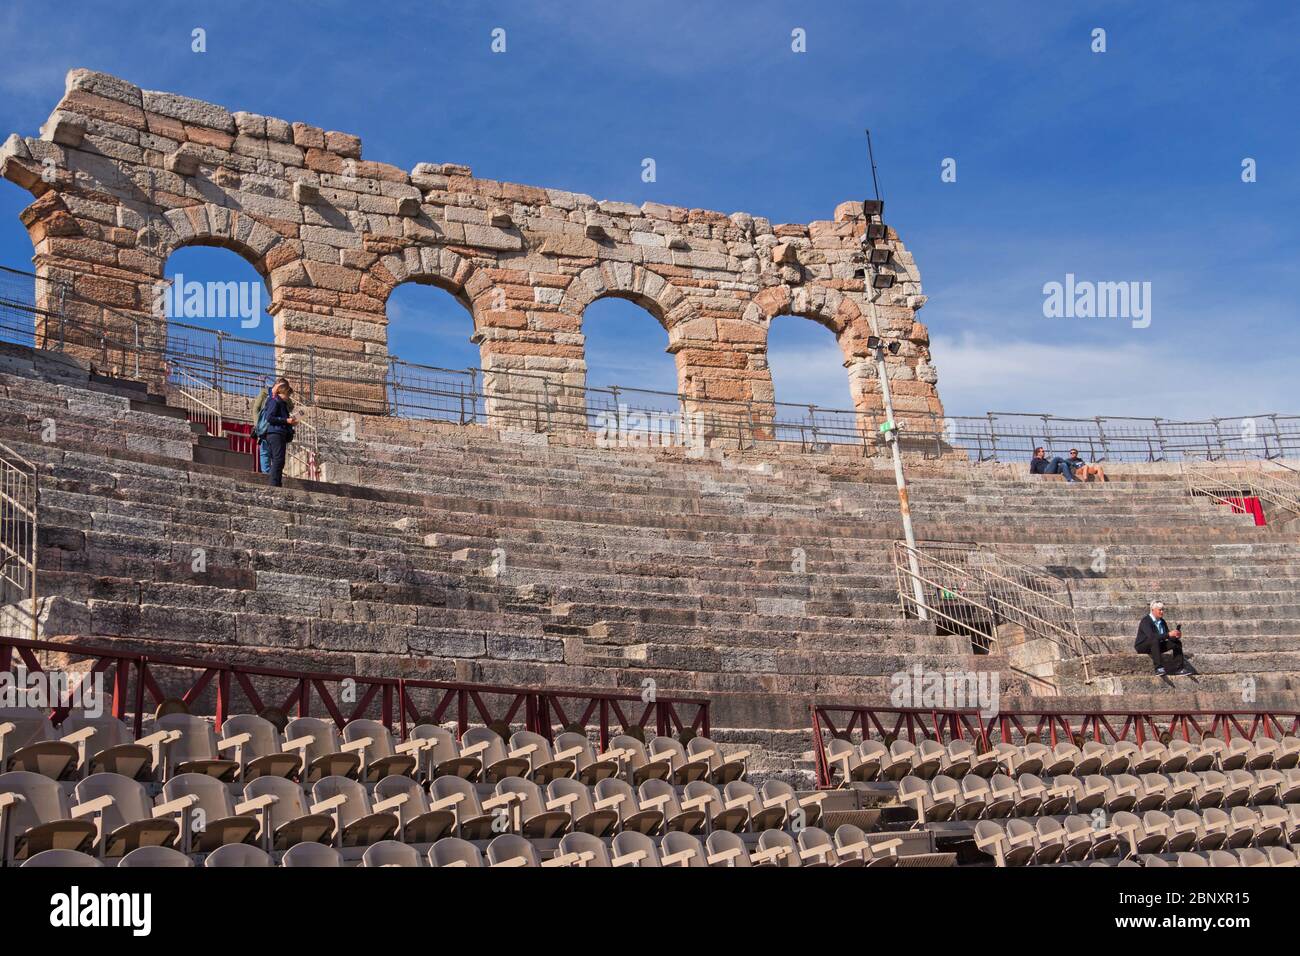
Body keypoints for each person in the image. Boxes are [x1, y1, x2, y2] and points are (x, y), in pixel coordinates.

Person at [260, 379, 297, 487]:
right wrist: (286, 420)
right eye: (287, 394)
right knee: (278, 459)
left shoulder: (281, 403)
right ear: (282, 393)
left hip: (280, 433)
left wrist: (290, 422)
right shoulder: (274, 400)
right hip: (275, 433)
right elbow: (269, 417)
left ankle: (277, 483)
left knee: (280, 460)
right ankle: (274, 484)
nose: (288, 397)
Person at [1135, 601, 1187, 676]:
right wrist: (1168, 634)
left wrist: (1175, 635)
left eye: (1163, 610)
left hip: (1156, 645)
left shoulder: (1162, 621)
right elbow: (1151, 636)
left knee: (1176, 642)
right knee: (1154, 639)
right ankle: (1158, 668)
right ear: (1153, 610)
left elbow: (1166, 636)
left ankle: (1179, 668)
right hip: (1142, 646)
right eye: (1160, 610)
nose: (1162, 612)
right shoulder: (1145, 621)